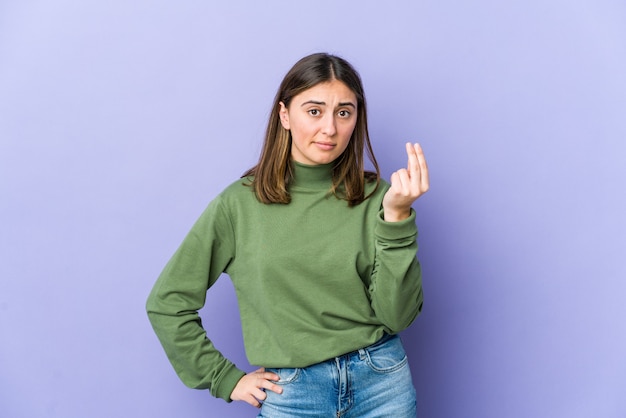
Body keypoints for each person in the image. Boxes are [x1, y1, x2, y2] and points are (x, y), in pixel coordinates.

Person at [146, 52, 429, 417]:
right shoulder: (239, 205)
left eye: (344, 112)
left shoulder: (381, 197)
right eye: (314, 111)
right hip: (293, 395)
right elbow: (167, 302)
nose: (330, 128)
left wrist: (397, 217)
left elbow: (397, 317)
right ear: (285, 115)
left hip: (381, 383)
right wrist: (223, 378)